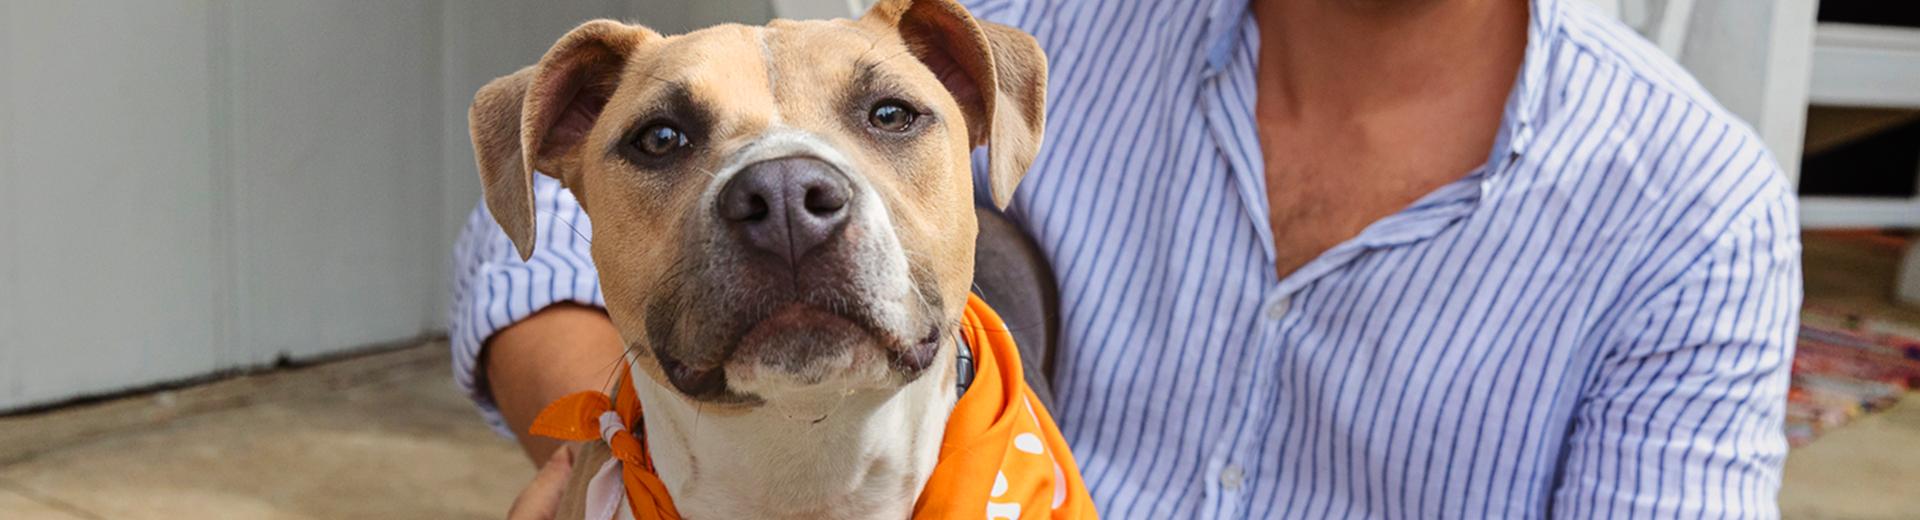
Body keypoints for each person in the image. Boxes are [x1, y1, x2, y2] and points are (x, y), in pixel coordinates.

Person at [456, 0, 1801, 517]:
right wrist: (602, 460)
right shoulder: (1025, 19)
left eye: (888, 123)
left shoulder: (1694, 208)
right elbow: (567, 216)